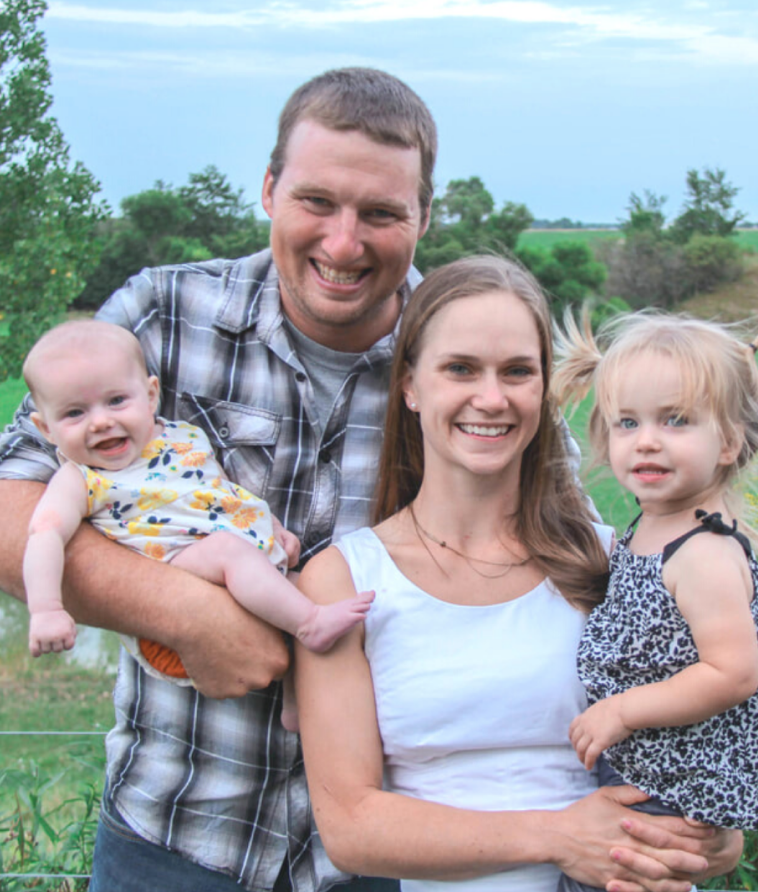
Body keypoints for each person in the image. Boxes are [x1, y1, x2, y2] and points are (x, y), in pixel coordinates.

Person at [0, 68, 740, 892]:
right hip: (183, 826)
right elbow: (15, 507)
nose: (345, 243)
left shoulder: (460, 348)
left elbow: (578, 552)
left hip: (384, 859)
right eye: (318, 201)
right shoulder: (161, 320)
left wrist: (692, 817)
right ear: (270, 188)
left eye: (383, 213)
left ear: (422, 216)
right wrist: (187, 612)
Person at [294, 255, 741, 892]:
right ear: (411, 385)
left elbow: (712, 791)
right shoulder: (345, 581)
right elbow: (351, 827)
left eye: (517, 372)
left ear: (544, 389)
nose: (492, 398)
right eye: (460, 369)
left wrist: (708, 835)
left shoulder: (617, 562)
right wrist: (558, 837)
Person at [21, 319, 374, 730]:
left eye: (117, 401)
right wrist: (46, 609)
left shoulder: (181, 436)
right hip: (171, 576)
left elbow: (216, 493)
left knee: (310, 586)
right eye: (75, 413)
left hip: (226, 556)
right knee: (248, 569)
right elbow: (44, 533)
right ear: (45, 428)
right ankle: (309, 625)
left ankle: (296, 707)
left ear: (150, 395)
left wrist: (268, 527)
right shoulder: (82, 478)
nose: (100, 422)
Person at [550, 311, 758, 892]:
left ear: (729, 442)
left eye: (676, 421)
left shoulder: (704, 552)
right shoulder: (650, 527)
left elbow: (734, 671)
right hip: (642, 771)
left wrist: (619, 711)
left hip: (673, 784)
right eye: (627, 422)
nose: (646, 440)